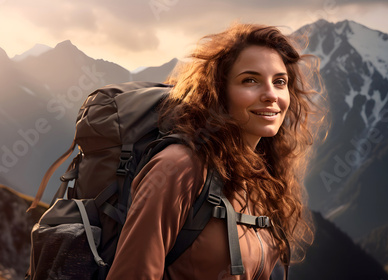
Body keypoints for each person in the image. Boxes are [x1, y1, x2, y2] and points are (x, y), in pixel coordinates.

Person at [106, 22, 325, 279]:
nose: (271, 94)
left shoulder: (263, 179)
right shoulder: (179, 167)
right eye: (250, 80)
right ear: (218, 92)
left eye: (279, 82)